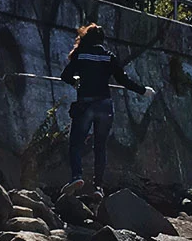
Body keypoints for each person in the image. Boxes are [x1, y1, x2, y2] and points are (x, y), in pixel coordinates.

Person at [59, 24, 150, 191]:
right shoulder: (109, 57)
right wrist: (143, 91)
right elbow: (124, 80)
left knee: (76, 144)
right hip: (105, 105)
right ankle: (98, 187)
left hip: (85, 104)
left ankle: (76, 177)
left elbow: (65, 76)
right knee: (100, 147)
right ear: (102, 40)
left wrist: (76, 82)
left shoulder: (80, 55)